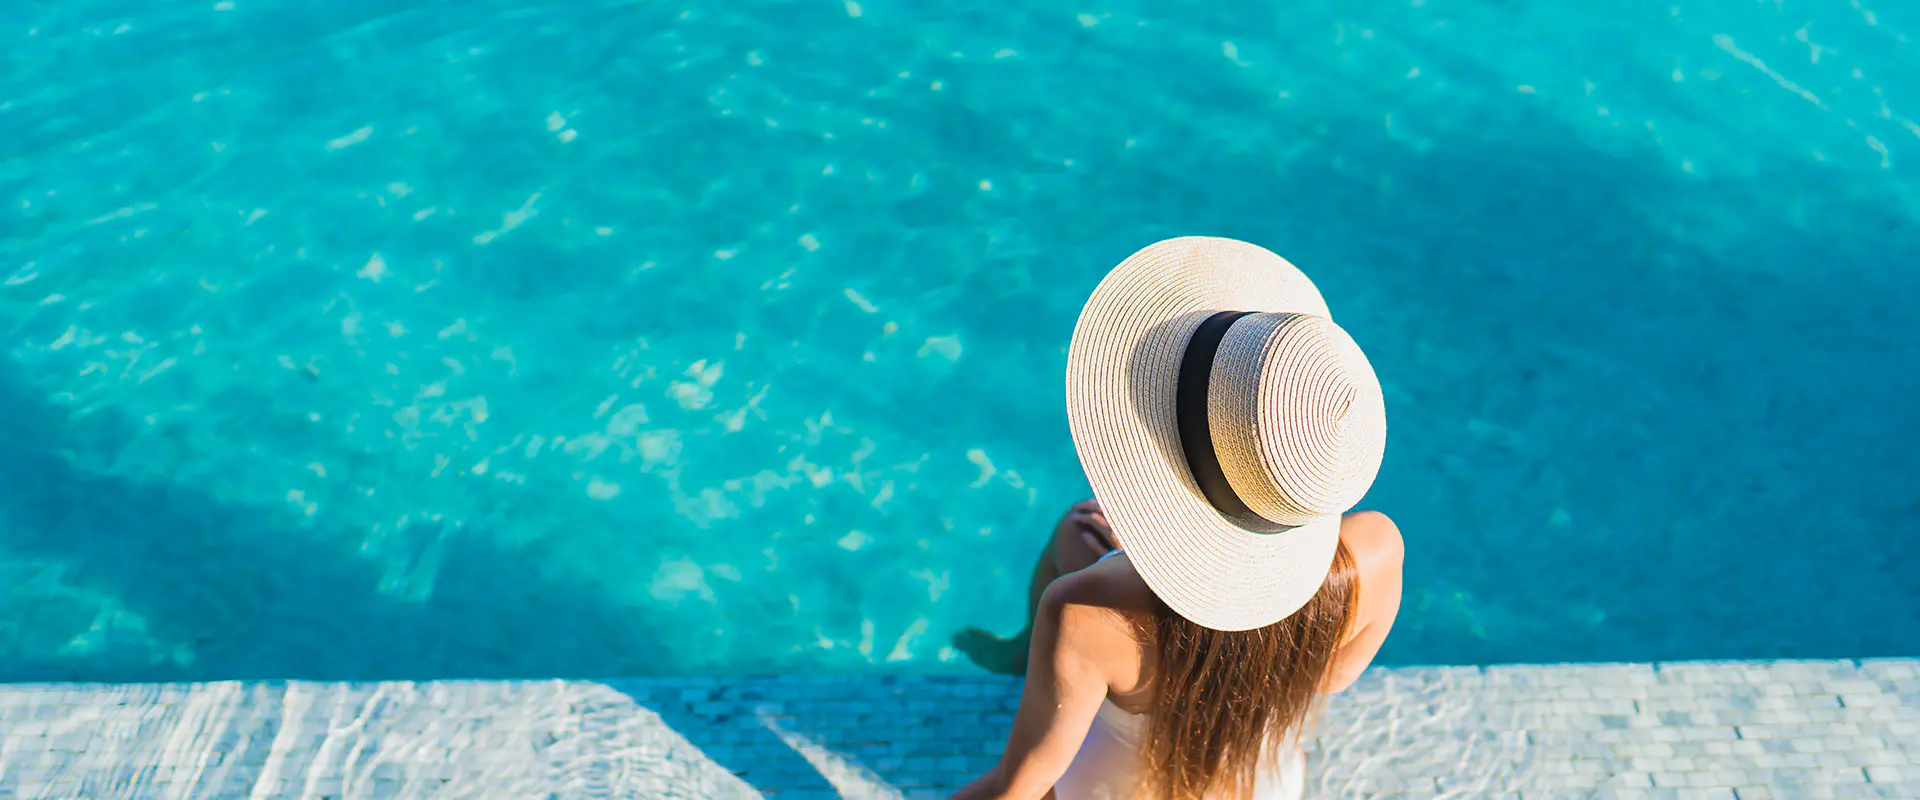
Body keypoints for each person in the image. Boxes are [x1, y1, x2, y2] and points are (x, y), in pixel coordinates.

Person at [950, 237, 1405, 799]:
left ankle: (1024, 657)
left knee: (1075, 532)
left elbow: (1016, 787)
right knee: (1079, 538)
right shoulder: (1378, 551)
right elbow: (1324, 681)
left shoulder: (1084, 609)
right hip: (1258, 783)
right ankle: (1029, 654)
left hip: (1110, 788)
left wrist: (1134, 560)